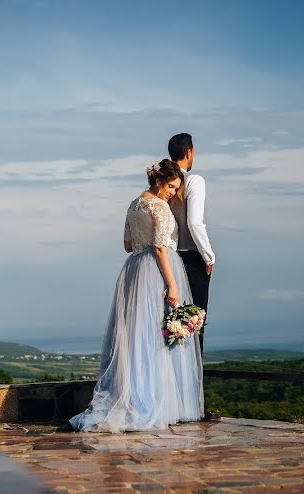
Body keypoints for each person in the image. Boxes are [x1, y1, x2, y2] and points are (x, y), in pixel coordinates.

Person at [70, 159, 204, 432]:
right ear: (158, 181)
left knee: (136, 336)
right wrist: (172, 284)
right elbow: (159, 249)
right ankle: (157, 402)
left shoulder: (133, 205)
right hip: (158, 271)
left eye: (175, 189)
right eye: (170, 186)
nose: (171, 193)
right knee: (157, 337)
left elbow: (128, 245)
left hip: (134, 272)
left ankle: (134, 396)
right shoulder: (160, 208)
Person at [168, 132, 220, 421]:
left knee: (172, 329)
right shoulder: (193, 181)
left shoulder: (165, 182)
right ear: (190, 152)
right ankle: (195, 406)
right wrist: (209, 255)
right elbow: (194, 222)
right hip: (193, 258)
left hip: (171, 260)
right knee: (194, 330)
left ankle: (175, 401)